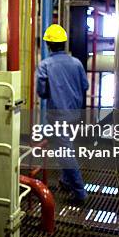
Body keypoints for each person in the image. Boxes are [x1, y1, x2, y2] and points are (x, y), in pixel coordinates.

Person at [36, 24, 89, 204]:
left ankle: (80, 192)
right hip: (75, 114)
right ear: (64, 43)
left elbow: (42, 92)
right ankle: (66, 181)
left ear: (48, 45)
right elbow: (84, 87)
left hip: (58, 116)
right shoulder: (76, 63)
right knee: (64, 148)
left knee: (65, 153)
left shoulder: (45, 65)